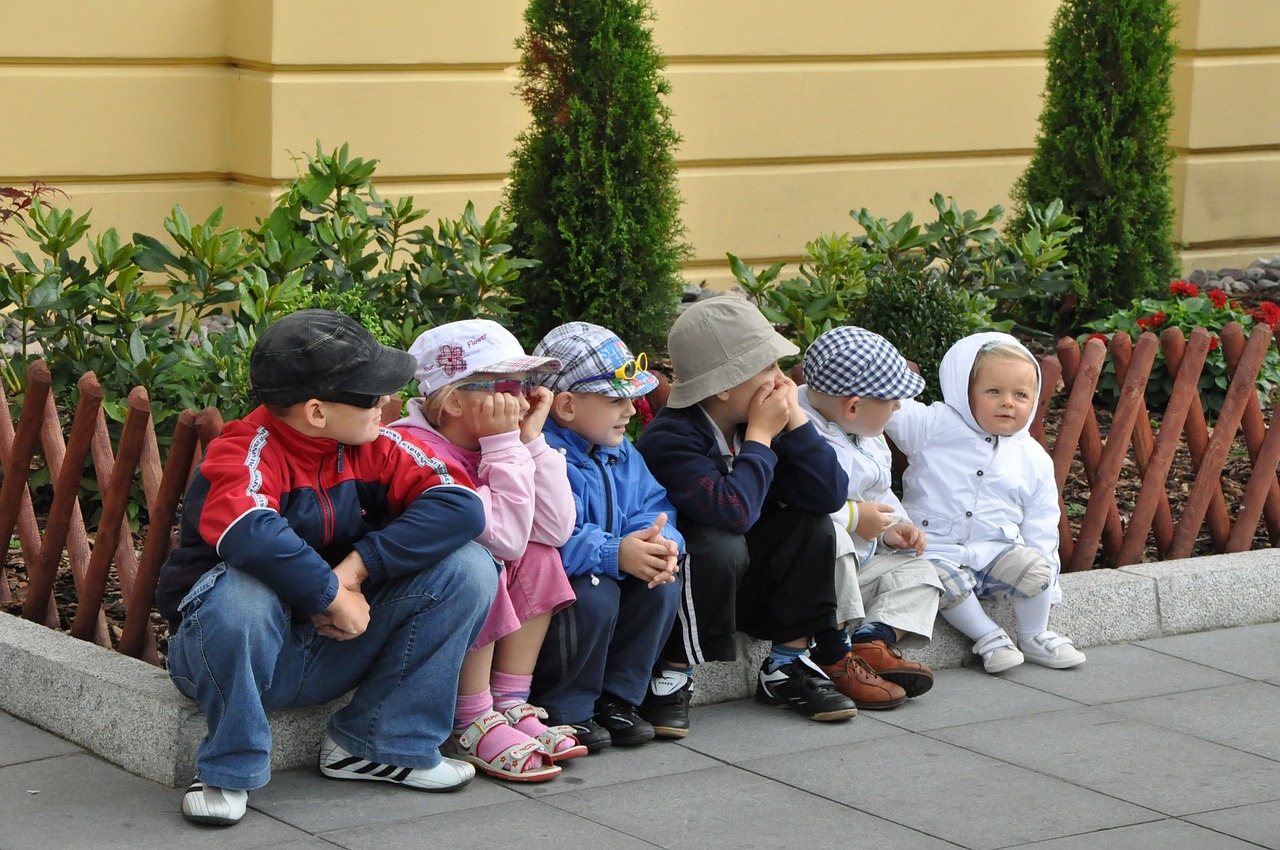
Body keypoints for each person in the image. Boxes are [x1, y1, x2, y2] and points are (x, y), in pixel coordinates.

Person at [156, 309, 499, 826]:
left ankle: (379, 745)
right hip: (234, 662)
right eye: (370, 394)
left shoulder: (375, 444)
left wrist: (353, 574)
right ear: (316, 411)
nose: (386, 402)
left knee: (469, 566)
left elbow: (460, 505)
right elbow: (248, 530)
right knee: (242, 592)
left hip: (338, 646)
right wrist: (328, 594)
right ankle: (229, 768)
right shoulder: (243, 449)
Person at [636, 296, 900, 737]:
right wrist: (760, 437)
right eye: (769, 369)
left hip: (751, 587)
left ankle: (785, 666)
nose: (781, 381)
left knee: (814, 526)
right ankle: (672, 674)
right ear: (724, 385)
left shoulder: (761, 423)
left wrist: (797, 424)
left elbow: (829, 494)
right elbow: (731, 513)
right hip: (688, 592)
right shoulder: (671, 438)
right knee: (718, 542)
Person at [391, 319, 584, 782]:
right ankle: (471, 718)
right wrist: (504, 445)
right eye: (504, 385)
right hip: (408, 611)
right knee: (485, 557)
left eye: (525, 385)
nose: (520, 400)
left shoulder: (490, 441)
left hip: (456, 599)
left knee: (542, 557)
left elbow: (553, 530)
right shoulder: (415, 449)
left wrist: (531, 440)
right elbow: (503, 538)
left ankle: (509, 701)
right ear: (455, 400)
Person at [883, 331, 1086, 673]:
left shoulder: (1031, 456)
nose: (1008, 402)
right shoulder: (933, 426)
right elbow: (891, 408)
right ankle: (989, 636)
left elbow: (1041, 522)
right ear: (965, 392)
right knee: (941, 579)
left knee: (1035, 566)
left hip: (995, 552)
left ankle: (1035, 634)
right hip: (935, 549)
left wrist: (1050, 587)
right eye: (993, 391)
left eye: (1021, 395)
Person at [526, 322, 684, 752]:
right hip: (569, 583)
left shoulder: (621, 450)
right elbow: (547, 536)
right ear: (567, 406)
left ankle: (617, 700)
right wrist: (616, 553)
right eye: (616, 400)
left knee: (662, 582)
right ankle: (565, 707)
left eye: (631, 398)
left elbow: (654, 504)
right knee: (593, 594)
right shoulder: (541, 452)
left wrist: (657, 541)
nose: (631, 410)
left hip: (613, 564)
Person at [797, 326, 943, 699]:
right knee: (834, 541)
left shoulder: (867, 431)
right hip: (819, 581)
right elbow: (791, 505)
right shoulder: (800, 435)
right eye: (893, 400)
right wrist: (855, 519)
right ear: (853, 405)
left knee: (924, 573)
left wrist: (894, 526)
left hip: (863, 564)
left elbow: (879, 489)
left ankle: (871, 641)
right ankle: (836, 656)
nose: (898, 407)